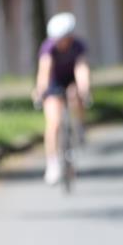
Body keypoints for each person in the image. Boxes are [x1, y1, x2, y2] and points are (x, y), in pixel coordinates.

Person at [33, 12, 91, 185]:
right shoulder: (48, 48)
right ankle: (52, 163)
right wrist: (40, 91)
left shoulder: (77, 46)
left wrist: (84, 88)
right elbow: (44, 71)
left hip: (71, 80)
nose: (60, 42)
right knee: (53, 123)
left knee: (77, 95)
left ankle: (79, 127)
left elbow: (82, 69)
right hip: (54, 82)